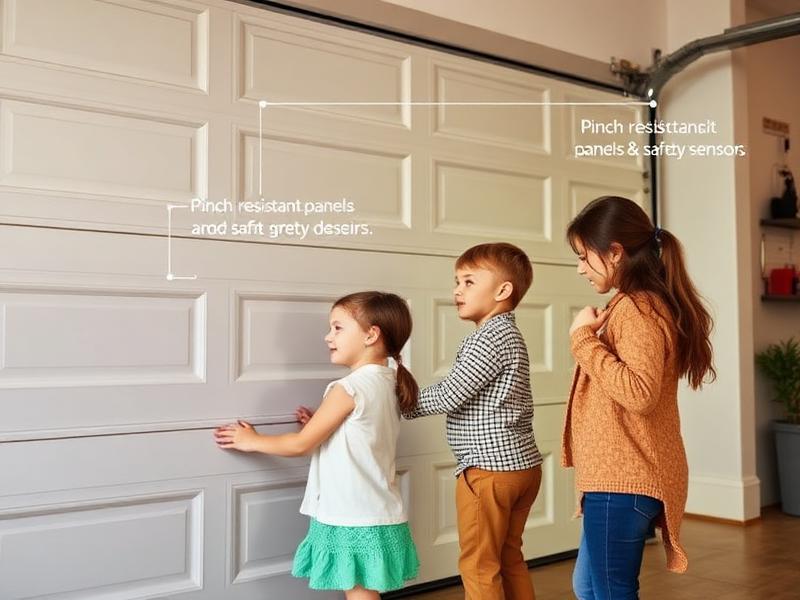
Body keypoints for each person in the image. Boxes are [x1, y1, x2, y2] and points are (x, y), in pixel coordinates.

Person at [214, 291, 420, 599]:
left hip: (353, 513)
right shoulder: (388, 381)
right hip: (376, 507)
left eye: (338, 328)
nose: (328, 337)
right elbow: (360, 434)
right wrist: (317, 423)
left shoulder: (348, 388)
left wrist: (252, 440)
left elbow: (300, 445)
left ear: (371, 334)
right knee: (364, 589)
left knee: (360, 592)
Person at [563, 196, 716, 600]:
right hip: (618, 478)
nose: (579, 267)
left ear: (614, 252)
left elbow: (640, 393)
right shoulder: (636, 306)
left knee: (612, 591)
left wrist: (582, 340)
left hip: (624, 481)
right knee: (587, 586)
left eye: (583, 256)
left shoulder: (637, 308)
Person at [403, 242, 543, 600]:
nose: (456, 290)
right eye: (456, 281)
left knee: (479, 565)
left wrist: (401, 400)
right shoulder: (510, 335)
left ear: (502, 290)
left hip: (490, 471)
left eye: (468, 281)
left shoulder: (488, 338)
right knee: (509, 556)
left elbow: (451, 393)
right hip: (522, 466)